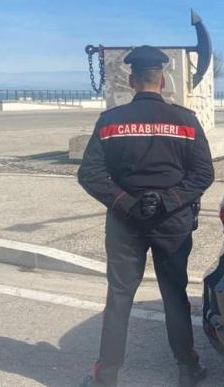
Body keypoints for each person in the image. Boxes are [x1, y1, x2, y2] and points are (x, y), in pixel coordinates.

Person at [78, 45, 214, 387]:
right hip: (173, 223)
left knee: (119, 297)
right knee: (174, 295)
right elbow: (203, 174)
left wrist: (126, 202)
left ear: (131, 79)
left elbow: (90, 175)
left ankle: (106, 376)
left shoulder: (110, 122)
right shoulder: (186, 120)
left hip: (125, 224)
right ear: (163, 79)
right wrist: (169, 201)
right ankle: (187, 368)